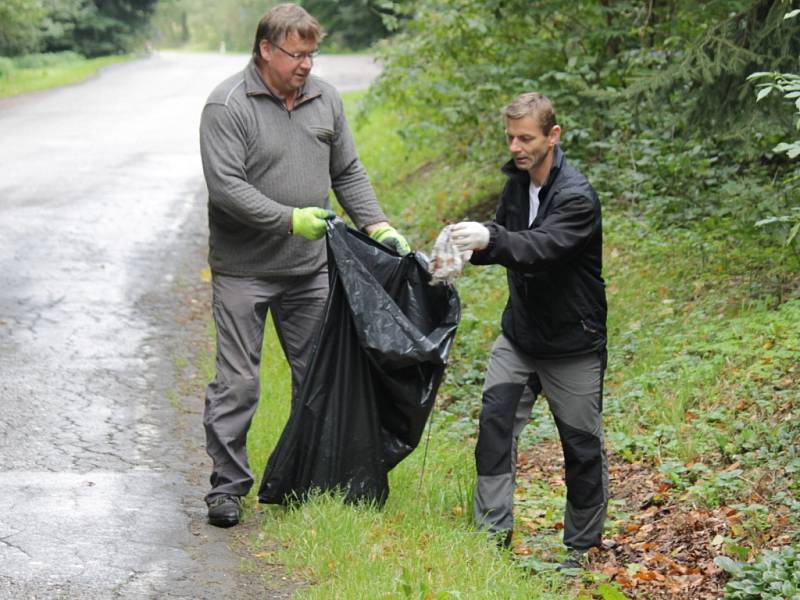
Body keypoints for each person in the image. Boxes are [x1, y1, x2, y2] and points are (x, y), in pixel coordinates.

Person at [198, 3, 410, 528]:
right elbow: (227, 190)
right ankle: (227, 489)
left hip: (309, 271)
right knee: (239, 382)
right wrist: (288, 219)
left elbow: (348, 171)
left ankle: (305, 479)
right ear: (266, 49)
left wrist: (377, 225)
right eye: (297, 54)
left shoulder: (325, 99)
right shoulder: (227, 105)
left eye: (313, 53)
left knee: (318, 378)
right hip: (243, 268)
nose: (307, 65)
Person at [446, 92, 608, 568]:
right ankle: (490, 537)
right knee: (494, 429)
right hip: (518, 336)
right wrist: (463, 249)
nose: (517, 147)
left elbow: (541, 247)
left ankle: (580, 548)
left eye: (526, 138)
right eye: (511, 137)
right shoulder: (517, 184)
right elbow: (508, 240)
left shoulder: (577, 196)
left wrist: (491, 238)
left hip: (572, 344)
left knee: (580, 447)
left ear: (552, 136)